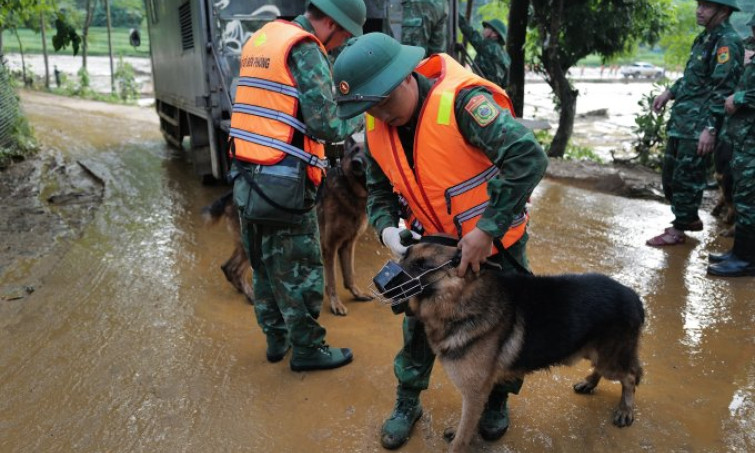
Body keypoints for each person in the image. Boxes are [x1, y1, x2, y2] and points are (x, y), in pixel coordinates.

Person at [332, 33, 548, 449]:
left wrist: (487, 229)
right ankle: (407, 401)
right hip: (431, 248)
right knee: (417, 326)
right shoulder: (377, 122)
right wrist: (386, 229)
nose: (376, 114)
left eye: (382, 101)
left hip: (495, 244)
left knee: (502, 328)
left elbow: (528, 158)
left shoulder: (464, 105)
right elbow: (378, 192)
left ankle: (496, 400)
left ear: (406, 78)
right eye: (367, 107)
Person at [228, 0, 365, 371]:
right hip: (285, 183)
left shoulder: (263, 38)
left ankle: (276, 340)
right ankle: (307, 350)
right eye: (345, 37)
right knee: (303, 268)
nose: (338, 46)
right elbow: (325, 125)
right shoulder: (305, 48)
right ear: (334, 24)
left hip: (245, 175)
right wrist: (357, 118)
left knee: (264, 263)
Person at [646, 0, 744, 247]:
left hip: (700, 125)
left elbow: (724, 89)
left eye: (706, 7)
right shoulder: (704, 39)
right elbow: (693, 78)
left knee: (686, 178)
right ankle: (687, 220)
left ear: (723, 11)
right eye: (699, 5)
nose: (699, 10)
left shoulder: (727, 43)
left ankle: (680, 229)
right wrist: (669, 92)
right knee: (671, 178)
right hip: (684, 120)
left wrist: (710, 128)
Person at [708, 12, 755, 277]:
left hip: (752, 143)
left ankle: (747, 260)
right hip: (745, 140)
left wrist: (739, 97)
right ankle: (739, 253)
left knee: (749, 203)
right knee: (744, 198)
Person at [457, 14, 512, 89]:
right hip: (495, 93)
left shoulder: (487, 45)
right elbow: (505, 83)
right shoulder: (506, 57)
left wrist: (457, 15)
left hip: (480, 89)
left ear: (495, 34)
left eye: (487, 27)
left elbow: (470, 33)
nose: (484, 29)